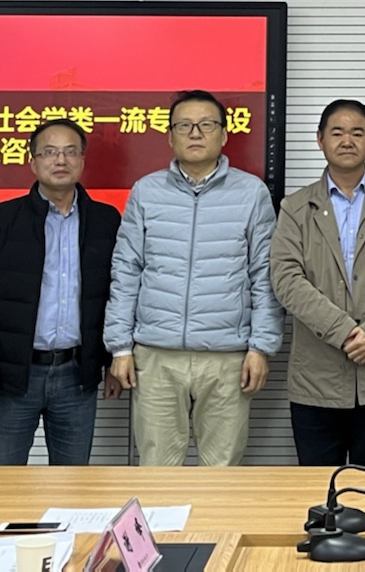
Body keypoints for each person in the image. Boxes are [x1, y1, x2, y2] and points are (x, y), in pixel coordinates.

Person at [104, 89, 283, 466]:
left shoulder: (251, 193)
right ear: (170, 136)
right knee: (156, 469)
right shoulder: (147, 191)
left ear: (224, 134)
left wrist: (261, 348)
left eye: (206, 125)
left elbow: (265, 275)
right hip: (156, 355)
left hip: (227, 357)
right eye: (184, 125)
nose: (196, 133)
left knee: (221, 471)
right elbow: (126, 271)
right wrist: (120, 348)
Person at [270, 99, 365, 466]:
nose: (347, 141)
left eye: (357, 132)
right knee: (318, 487)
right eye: (337, 132)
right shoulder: (295, 207)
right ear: (320, 139)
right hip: (316, 378)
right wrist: (343, 331)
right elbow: (286, 277)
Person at [0, 118, 122, 465]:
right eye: (49, 152)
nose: (60, 160)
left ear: (82, 160)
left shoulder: (106, 221)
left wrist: (113, 360)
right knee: (1, 481)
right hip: (13, 376)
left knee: (72, 484)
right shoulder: (0, 220)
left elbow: (117, 295)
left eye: (70, 152)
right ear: (32, 162)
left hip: (77, 375)